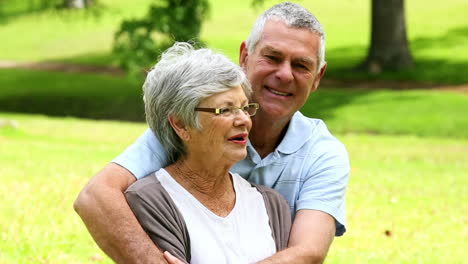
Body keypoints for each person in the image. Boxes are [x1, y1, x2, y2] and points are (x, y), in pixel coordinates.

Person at [74, 2, 350, 263]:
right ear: (245, 56)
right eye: (273, 57)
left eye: (301, 65)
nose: (285, 74)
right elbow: (96, 197)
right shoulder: (193, 123)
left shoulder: (322, 153)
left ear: (318, 77)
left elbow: (308, 252)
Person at [125, 42, 291, 263]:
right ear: (181, 124)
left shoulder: (271, 204)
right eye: (225, 110)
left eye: (244, 107)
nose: (244, 120)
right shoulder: (150, 201)